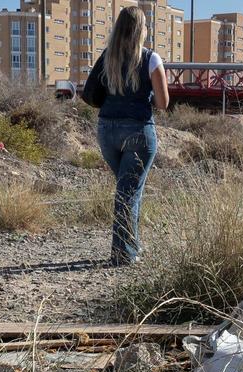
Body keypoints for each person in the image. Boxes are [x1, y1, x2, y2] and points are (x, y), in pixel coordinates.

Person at [85, 7, 170, 266]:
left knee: (129, 189)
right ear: (141, 30)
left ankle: (131, 245)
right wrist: (145, 95)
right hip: (138, 132)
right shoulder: (151, 58)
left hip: (107, 131)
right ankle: (123, 255)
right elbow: (163, 102)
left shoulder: (107, 57)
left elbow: (92, 92)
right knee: (128, 193)